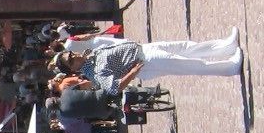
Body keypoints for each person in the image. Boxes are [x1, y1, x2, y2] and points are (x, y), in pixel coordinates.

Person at [73, 31, 242, 94]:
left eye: (70, 54)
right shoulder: (94, 73)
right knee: (187, 64)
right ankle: (230, 67)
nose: (73, 56)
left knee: (186, 47)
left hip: (143, 49)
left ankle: (226, 46)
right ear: (73, 68)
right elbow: (113, 88)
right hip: (145, 62)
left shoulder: (91, 56)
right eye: (70, 60)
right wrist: (132, 73)